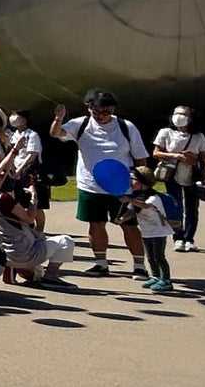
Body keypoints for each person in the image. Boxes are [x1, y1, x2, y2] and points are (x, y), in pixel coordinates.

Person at [50, 90, 151, 278]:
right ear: (89, 109)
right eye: (96, 111)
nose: (101, 116)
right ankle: (101, 264)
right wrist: (59, 118)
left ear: (112, 109)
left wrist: (142, 185)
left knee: (128, 225)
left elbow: (140, 158)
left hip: (122, 186)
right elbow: (56, 133)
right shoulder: (81, 124)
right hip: (90, 185)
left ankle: (139, 266)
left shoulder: (125, 127)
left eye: (106, 112)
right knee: (96, 224)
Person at [0, 161, 74, 284]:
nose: (2, 176)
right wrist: (33, 197)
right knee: (66, 241)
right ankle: (50, 276)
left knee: (37, 273)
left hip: (2, 252)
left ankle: (13, 268)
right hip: (23, 252)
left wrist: (15, 151)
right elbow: (29, 218)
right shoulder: (3, 198)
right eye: (0, 175)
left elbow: (0, 173)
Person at [151, 105, 205, 252]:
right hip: (172, 174)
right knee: (175, 206)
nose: (179, 116)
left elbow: (204, 158)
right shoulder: (166, 132)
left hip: (191, 176)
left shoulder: (198, 136)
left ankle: (189, 238)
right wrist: (176, 156)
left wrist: (192, 158)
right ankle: (178, 237)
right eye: (176, 113)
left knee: (192, 208)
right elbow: (156, 153)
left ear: (190, 118)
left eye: (183, 114)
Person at [122, 169, 175, 293]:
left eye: (133, 180)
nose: (130, 182)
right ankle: (155, 276)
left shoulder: (153, 197)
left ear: (143, 181)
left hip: (159, 232)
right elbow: (131, 211)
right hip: (146, 232)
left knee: (159, 257)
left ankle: (166, 280)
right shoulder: (136, 196)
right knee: (150, 257)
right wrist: (122, 218)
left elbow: (145, 205)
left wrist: (129, 200)